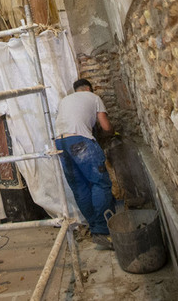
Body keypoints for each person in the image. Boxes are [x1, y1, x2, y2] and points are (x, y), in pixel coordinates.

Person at [55, 78, 114, 249]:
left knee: (80, 187)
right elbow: (105, 126)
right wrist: (112, 131)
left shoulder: (64, 101)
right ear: (88, 88)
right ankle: (104, 232)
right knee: (100, 183)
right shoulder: (93, 97)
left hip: (60, 144)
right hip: (80, 141)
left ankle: (95, 228)